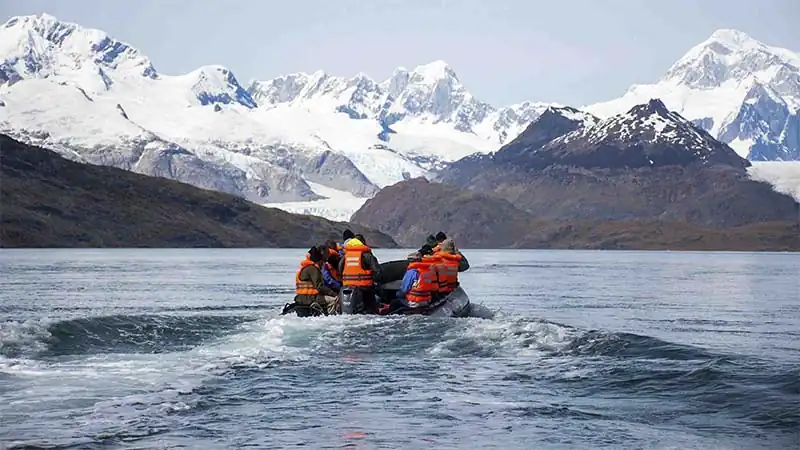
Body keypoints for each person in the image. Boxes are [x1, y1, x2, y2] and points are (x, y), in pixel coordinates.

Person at [339, 234, 381, 313]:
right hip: (365, 289)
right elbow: (377, 272)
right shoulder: (367, 255)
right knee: (371, 310)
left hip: (347, 287)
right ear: (363, 243)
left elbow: (340, 269)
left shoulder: (345, 256)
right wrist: (376, 282)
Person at [294, 246, 339, 315]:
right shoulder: (313, 269)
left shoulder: (305, 268)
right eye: (322, 261)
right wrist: (334, 294)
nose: (323, 263)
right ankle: (328, 315)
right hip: (311, 298)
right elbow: (319, 286)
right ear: (319, 261)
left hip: (301, 298)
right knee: (335, 300)